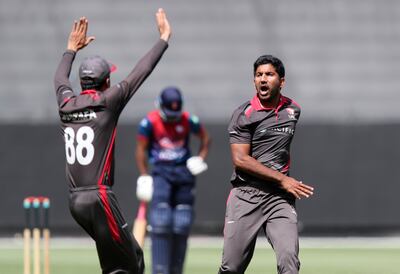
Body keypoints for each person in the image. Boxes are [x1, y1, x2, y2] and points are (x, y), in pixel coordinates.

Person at [53, 9, 171, 274]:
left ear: (83, 83)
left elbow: (60, 79)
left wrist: (70, 49)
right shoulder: (108, 102)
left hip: (75, 202)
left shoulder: (66, 103)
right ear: (106, 81)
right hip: (99, 198)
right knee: (129, 266)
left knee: (124, 260)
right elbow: (141, 72)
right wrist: (163, 39)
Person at [217, 55, 314, 274]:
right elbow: (241, 160)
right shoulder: (243, 115)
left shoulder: (293, 110)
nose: (263, 79)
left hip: (279, 198)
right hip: (246, 196)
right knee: (231, 267)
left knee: (289, 261)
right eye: (258, 75)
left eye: (269, 74)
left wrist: (281, 182)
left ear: (282, 81)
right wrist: (282, 178)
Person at [135, 86, 211, 274]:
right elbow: (140, 150)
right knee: (160, 220)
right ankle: (160, 271)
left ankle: (176, 270)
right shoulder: (149, 122)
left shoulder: (187, 119)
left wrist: (200, 158)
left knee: (182, 222)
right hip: (161, 172)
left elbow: (206, 138)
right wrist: (144, 174)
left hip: (184, 173)